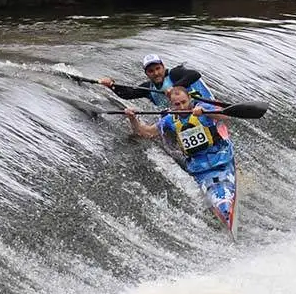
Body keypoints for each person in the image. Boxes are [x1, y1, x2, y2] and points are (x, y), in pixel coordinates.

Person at [125, 86, 236, 216]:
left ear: (189, 98)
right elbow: (145, 132)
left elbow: (226, 116)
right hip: (198, 168)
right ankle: (222, 209)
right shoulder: (169, 120)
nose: (182, 107)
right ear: (171, 105)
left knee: (224, 191)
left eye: (184, 102)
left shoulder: (203, 107)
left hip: (222, 159)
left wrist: (205, 112)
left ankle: (227, 203)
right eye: (177, 104)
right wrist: (132, 119)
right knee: (213, 194)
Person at [99, 54, 215, 108]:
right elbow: (128, 94)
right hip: (180, 117)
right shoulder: (148, 88)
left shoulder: (175, 73)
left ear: (163, 67)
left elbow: (195, 74)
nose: (156, 73)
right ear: (146, 73)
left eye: (158, 68)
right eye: (151, 71)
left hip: (200, 107)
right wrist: (111, 85)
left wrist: (175, 87)